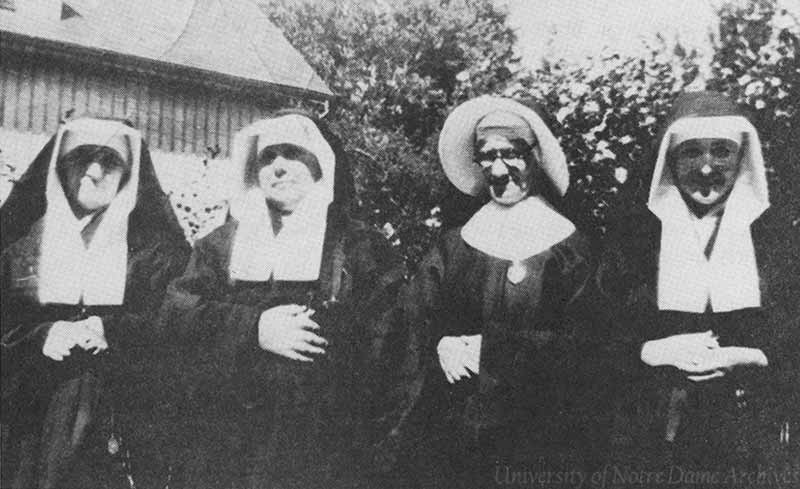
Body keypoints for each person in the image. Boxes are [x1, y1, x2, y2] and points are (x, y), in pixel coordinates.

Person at [160, 110, 408, 489]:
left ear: (320, 164)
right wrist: (252, 328)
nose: (278, 167)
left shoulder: (362, 249)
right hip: (227, 453)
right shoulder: (220, 246)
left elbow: (392, 352)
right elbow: (175, 316)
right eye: (267, 157)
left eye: (292, 153)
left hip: (324, 455)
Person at [598, 91, 799, 484]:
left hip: (749, 441)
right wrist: (651, 350)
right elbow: (592, 333)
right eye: (691, 152)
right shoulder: (635, 238)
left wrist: (748, 355)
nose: (707, 168)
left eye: (721, 151)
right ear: (670, 160)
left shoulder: (774, 238)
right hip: (652, 439)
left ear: (741, 158)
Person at [401, 96, 601, 488]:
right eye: (486, 156)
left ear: (535, 158)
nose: (497, 169)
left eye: (511, 153)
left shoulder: (573, 250)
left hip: (543, 438)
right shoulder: (453, 246)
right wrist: (439, 342)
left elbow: (590, 344)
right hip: (458, 437)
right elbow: (411, 319)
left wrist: (497, 351)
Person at [1, 117, 191, 489]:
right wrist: (40, 335)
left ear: (129, 172)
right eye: (81, 157)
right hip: (26, 422)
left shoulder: (157, 253)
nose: (93, 171)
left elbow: (178, 330)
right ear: (59, 164)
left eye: (110, 160)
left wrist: (113, 331)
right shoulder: (15, 243)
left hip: (114, 425)